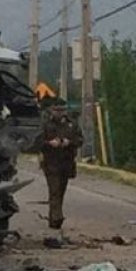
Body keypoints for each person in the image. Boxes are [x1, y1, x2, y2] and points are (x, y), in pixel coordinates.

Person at [37, 100, 83, 237]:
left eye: (62, 110)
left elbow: (80, 140)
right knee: (54, 189)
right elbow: (37, 142)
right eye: (56, 110)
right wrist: (49, 143)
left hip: (67, 162)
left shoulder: (72, 124)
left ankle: (55, 216)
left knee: (61, 190)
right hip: (51, 162)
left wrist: (69, 142)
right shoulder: (46, 124)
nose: (59, 113)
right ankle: (56, 218)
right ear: (51, 111)